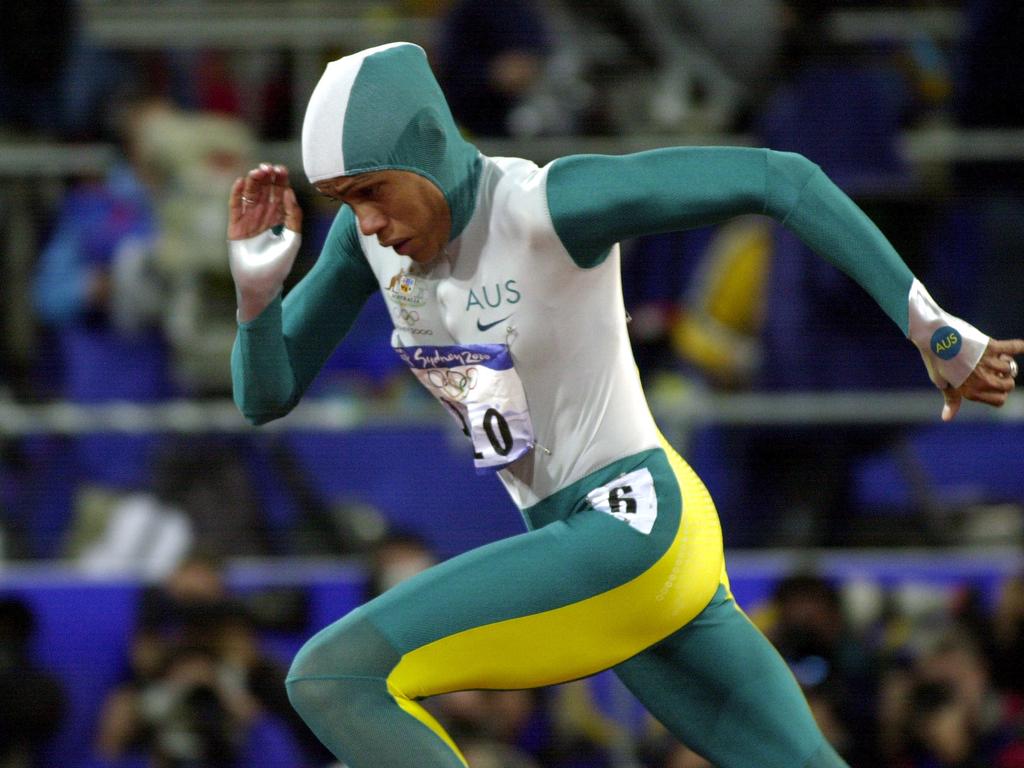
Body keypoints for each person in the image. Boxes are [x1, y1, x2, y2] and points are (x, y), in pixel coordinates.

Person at [225, 42, 1023, 768]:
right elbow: (265, 396)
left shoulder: (548, 206)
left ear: (427, 149)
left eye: (372, 191)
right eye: (342, 200)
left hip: (629, 526)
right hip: (624, 554)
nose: (366, 221)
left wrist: (933, 328)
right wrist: (257, 301)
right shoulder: (364, 242)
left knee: (333, 675)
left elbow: (783, 179)